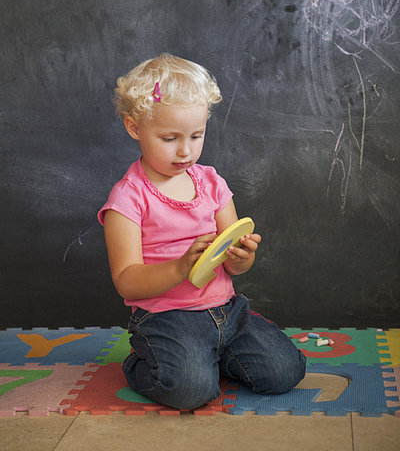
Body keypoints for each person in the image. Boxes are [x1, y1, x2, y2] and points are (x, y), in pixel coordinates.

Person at [98, 53, 306, 410]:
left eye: (196, 135)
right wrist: (180, 267)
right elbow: (127, 280)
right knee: (191, 392)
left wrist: (243, 256)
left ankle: (210, 356)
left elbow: (232, 263)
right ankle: (141, 363)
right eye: (169, 138)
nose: (185, 150)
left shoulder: (211, 183)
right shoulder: (128, 198)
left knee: (286, 371)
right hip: (166, 319)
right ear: (134, 128)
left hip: (227, 311)